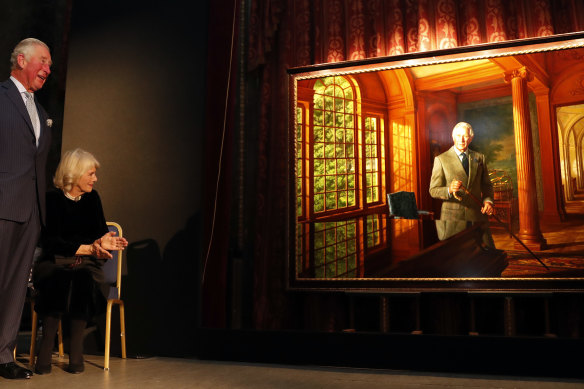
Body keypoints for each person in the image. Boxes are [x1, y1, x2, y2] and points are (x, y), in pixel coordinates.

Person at [32, 149, 128, 374]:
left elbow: (100, 233)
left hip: (86, 263)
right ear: (74, 174)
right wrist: (88, 248)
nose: (95, 179)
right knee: (58, 278)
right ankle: (46, 348)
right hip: (54, 260)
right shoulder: (51, 199)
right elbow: (49, 241)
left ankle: (76, 352)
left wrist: (105, 242)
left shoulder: (92, 198)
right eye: (91, 174)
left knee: (83, 279)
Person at [0, 38, 52, 380]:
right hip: (3, 204)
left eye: (50, 65)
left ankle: (3, 354)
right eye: (43, 61)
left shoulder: (43, 113)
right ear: (21, 60)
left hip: (31, 211)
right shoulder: (1, 96)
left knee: (16, 287)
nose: (47, 69)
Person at [429, 121, 496, 248]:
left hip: (477, 216)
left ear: (470, 138)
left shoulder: (479, 158)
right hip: (452, 219)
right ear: (453, 137)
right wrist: (448, 189)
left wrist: (488, 202)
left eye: (465, 136)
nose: (462, 139)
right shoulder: (441, 159)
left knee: (487, 253)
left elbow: (487, 185)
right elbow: (433, 190)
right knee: (455, 257)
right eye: (458, 136)